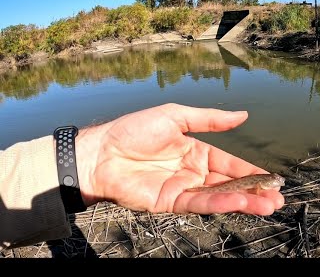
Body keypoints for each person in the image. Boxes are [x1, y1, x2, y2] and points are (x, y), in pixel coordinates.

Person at [0, 103, 285, 250]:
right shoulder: (259, 184)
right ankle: (197, 191)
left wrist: (87, 157)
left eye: (276, 180)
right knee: (206, 192)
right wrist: (94, 153)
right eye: (275, 180)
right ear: (264, 183)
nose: (278, 181)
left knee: (209, 192)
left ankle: (198, 191)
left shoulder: (258, 182)